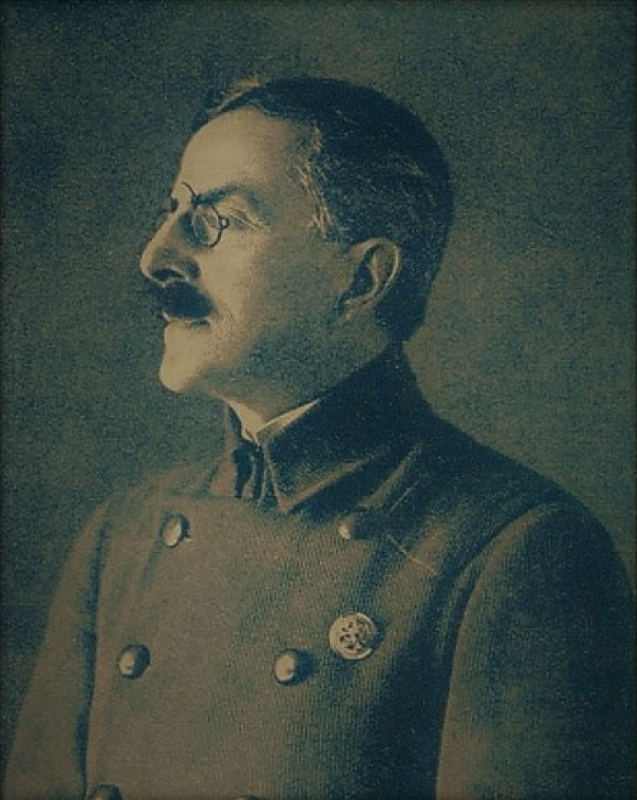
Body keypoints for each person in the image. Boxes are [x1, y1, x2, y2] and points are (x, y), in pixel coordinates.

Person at [4, 76, 633, 800]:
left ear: (361, 280)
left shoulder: (516, 550)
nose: (156, 257)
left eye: (216, 222)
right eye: (170, 212)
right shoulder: (123, 534)